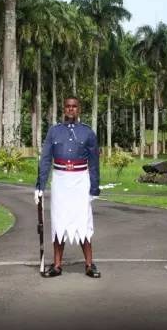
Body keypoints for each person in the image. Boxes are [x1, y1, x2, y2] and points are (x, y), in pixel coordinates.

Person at [35, 96, 101, 278]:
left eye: (74, 106)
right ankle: (57, 265)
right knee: (59, 222)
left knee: (83, 222)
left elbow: (94, 163)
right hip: (60, 181)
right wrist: (40, 186)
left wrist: (94, 187)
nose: (71, 109)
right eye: (68, 106)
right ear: (64, 109)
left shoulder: (88, 132)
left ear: (79, 109)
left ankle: (89, 265)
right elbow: (46, 160)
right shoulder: (54, 132)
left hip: (81, 181)